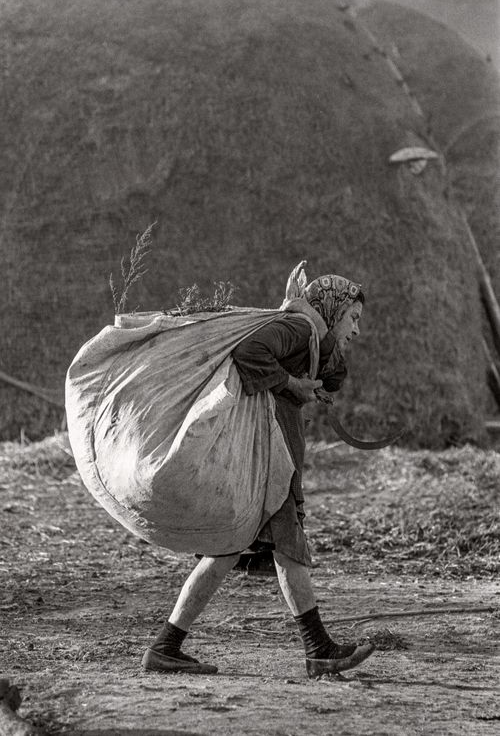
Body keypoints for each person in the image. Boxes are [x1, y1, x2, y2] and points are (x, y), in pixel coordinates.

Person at [141, 269, 374, 678]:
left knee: (227, 551)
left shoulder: (310, 336)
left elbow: (335, 377)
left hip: (270, 460)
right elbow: (250, 352)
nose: (357, 328)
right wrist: (291, 381)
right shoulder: (297, 328)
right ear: (333, 309)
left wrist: (303, 373)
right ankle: (318, 649)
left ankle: (165, 646)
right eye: (352, 317)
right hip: (269, 462)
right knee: (288, 549)